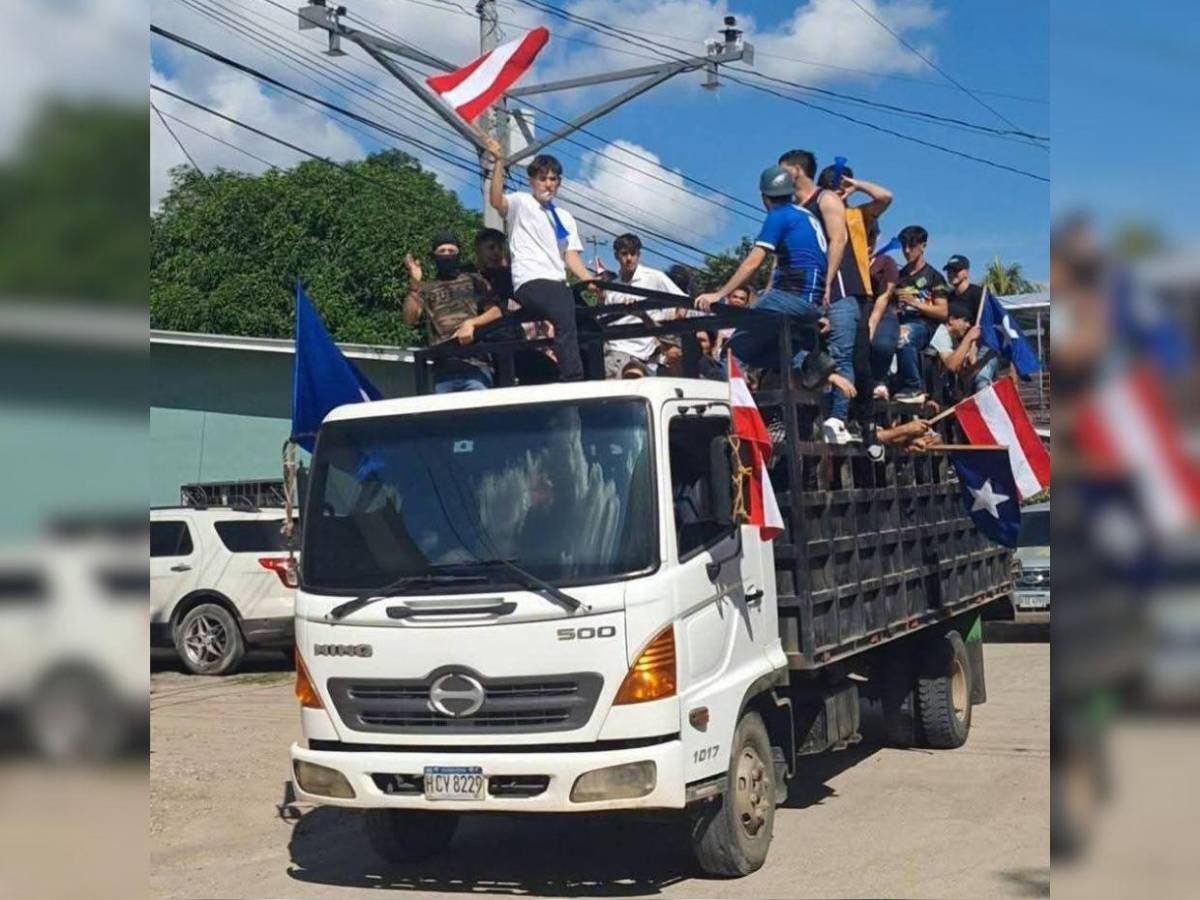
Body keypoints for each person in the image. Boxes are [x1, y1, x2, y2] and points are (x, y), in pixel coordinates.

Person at [695, 166, 855, 408]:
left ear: (764, 197)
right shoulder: (806, 216)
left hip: (790, 296)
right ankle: (819, 368)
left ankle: (732, 399)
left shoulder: (779, 216)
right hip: (812, 301)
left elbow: (754, 261)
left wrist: (719, 293)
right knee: (779, 350)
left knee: (734, 350)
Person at [485, 137, 593, 381]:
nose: (548, 184)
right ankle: (572, 377)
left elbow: (570, 256)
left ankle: (585, 371)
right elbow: (496, 201)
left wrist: (589, 280)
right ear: (532, 181)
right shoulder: (521, 202)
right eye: (543, 178)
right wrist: (498, 163)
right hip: (531, 280)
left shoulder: (564, 217)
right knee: (563, 306)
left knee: (581, 316)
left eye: (553, 179)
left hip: (557, 282)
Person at [776, 149, 857, 443]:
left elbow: (839, 239)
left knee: (839, 352)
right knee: (799, 346)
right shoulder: (790, 209)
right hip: (800, 293)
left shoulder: (825, 199)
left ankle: (838, 419)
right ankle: (808, 416)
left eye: (783, 170)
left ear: (797, 170)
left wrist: (826, 282)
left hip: (835, 291)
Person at [815, 163, 895, 441]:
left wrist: (858, 184)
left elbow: (885, 197)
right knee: (828, 356)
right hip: (822, 293)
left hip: (857, 293)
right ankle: (833, 416)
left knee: (859, 360)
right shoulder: (815, 217)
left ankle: (863, 421)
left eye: (842, 188)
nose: (840, 194)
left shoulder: (857, 214)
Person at [403, 232, 501, 393]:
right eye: (442, 251)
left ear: (458, 254)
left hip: (476, 366)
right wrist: (415, 281)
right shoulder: (427, 289)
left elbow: (496, 312)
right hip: (443, 371)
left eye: (451, 251)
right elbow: (409, 318)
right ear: (434, 255)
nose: (447, 255)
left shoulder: (473, 280)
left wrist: (471, 323)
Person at [601, 233, 686, 378]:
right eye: (624, 254)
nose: (629, 258)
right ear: (616, 256)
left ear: (639, 254)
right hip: (618, 350)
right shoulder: (612, 287)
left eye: (633, 254)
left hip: (648, 353)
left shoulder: (654, 276)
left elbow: (683, 301)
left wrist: (671, 326)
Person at [893, 224, 949, 404]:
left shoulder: (934, 276)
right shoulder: (898, 276)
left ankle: (913, 386)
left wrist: (915, 303)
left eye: (912, 246)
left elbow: (942, 311)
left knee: (904, 334)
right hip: (900, 322)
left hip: (925, 327)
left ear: (923, 246)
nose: (907, 251)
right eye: (904, 247)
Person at [930, 300, 1002, 392]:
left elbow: (961, 372)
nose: (968, 325)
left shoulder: (953, 339)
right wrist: (968, 338)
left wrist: (974, 362)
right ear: (951, 320)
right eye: (965, 320)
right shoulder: (941, 332)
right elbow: (951, 365)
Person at [866, 220, 901, 399]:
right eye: (862, 235)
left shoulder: (886, 262)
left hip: (883, 312)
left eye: (871, 235)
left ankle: (879, 379)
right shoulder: (846, 261)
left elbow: (885, 296)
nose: (867, 240)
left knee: (882, 345)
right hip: (855, 310)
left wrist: (871, 324)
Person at [942, 254, 984, 322]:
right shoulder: (948, 297)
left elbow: (988, 321)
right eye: (949, 271)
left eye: (956, 270)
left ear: (966, 273)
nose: (951, 273)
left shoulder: (980, 294)